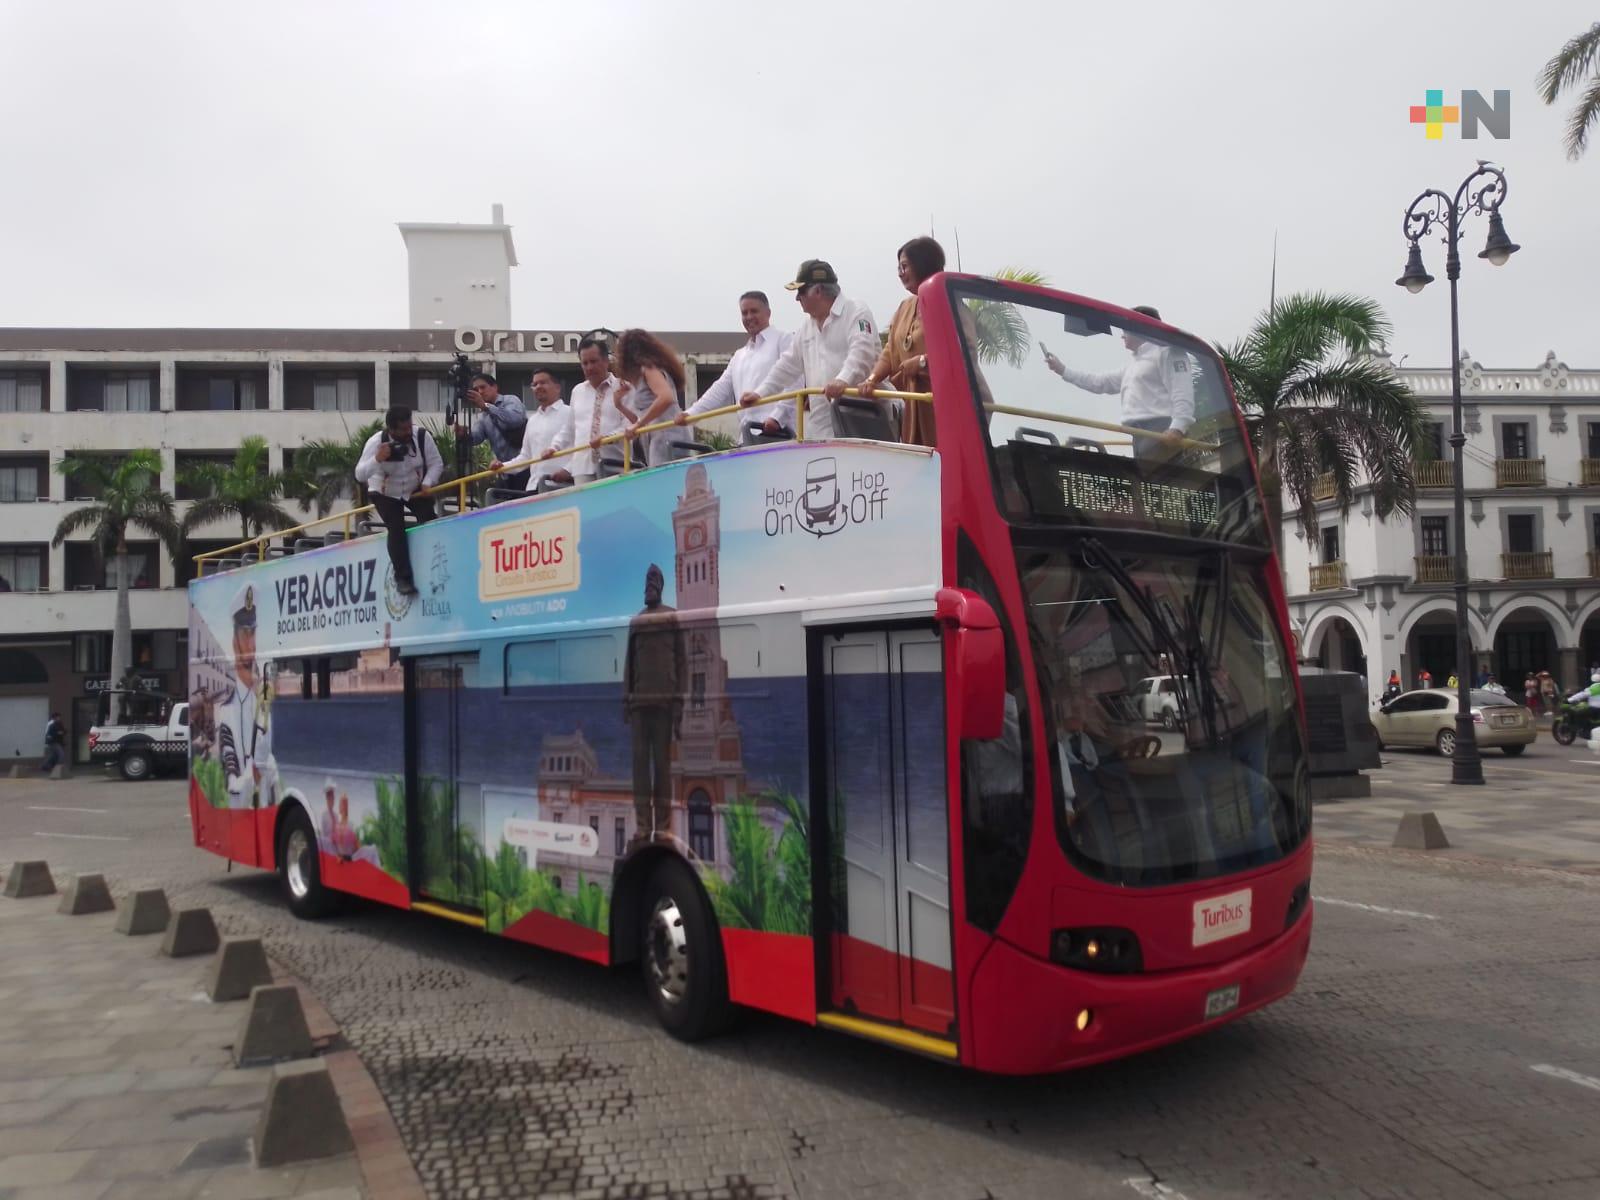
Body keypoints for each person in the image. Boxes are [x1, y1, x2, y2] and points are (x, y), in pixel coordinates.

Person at [740, 259, 883, 441]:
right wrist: (760, 392)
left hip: (864, 419)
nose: (797, 298)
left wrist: (842, 380)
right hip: (822, 426)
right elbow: (787, 366)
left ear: (818, 290)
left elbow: (862, 353)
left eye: (801, 291)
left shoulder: (857, 311)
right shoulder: (806, 328)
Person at [1042, 305, 1194, 459]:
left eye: (1125, 328)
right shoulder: (1133, 365)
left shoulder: (1169, 352)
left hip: (1163, 432)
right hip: (1140, 435)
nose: (1122, 335)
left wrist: (1177, 429)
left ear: (1139, 327)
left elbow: (1183, 392)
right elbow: (1099, 382)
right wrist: (1062, 370)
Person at [860, 236, 945, 447]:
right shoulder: (904, 307)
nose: (900, 273)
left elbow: (963, 352)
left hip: (946, 403)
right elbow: (890, 351)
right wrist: (871, 379)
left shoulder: (947, 302)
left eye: (905, 266)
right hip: (914, 405)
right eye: (898, 267)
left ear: (923, 264)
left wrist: (922, 362)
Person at [623, 564, 685, 843]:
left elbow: (682, 664)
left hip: (663, 705)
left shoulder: (672, 617)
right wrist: (626, 699)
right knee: (640, 768)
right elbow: (629, 665)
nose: (649, 584)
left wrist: (679, 706)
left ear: (661, 585)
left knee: (662, 766)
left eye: (654, 580)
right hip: (639, 705)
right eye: (647, 579)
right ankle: (643, 826)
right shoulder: (636, 622)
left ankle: (662, 826)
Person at [354, 404, 444, 596]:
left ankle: (434, 564)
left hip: (414, 488)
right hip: (385, 491)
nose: (408, 432)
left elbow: (436, 463)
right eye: (403, 430)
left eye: (409, 427)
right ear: (391, 429)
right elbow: (360, 474)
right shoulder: (376, 442)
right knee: (396, 528)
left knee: (430, 519)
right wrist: (377, 459)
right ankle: (403, 578)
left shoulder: (421, 436)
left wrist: (429, 482)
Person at [676, 291, 793, 430]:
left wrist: (777, 418)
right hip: (748, 434)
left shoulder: (784, 339)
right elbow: (719, 389)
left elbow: (794, 381)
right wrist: (691, 413)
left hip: (780, 433)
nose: (749, 317)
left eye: (754, 311)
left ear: (768, 313)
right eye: (744, 313)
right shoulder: (739, 355)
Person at [216, 585, 276, 809]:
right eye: (245, 633)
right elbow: (230, 766)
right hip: (241, 807)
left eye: (254, 633)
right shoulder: (226, 711)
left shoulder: (266, 697)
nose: (251, 644)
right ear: (234, 642)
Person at [548, 335, 631, 483]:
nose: (589, 367)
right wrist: (554, 447)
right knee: (585, 506)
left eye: (593, 361)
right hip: (582, 469)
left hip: (616, 465)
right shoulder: (577, 391)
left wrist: (607, 438)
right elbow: (569, 429)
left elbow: (631, 424)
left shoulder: (623, 387)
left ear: (606, 361)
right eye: (584, 363)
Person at [614, 329, 687, 468]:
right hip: (659, 438)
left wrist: (638, 425)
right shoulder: (645, 375)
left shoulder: (649, 369)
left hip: (667, 437)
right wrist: (619, 405)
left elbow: (666, 398)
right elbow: (640, 419)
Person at [493, 370, 573, 492]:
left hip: (564, 485)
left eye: (543, 382)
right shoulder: (532, 420)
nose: (538, 387)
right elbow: (525, 457)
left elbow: (584, 448)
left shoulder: (570, 413)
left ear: (557, 388)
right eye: (534, 384)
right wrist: (502, 466)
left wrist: (568, 470)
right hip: (534, 486)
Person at [455, 373, 529, 492]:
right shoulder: (483, 416)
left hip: (525, 467)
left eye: (483, 387)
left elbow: (515, 420)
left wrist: (487, 407)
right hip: (504, 471)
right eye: (476, 390)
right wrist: (464, 434)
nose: (480, 391)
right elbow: (476, 438)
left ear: (494, 387)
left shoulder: (510, 400)